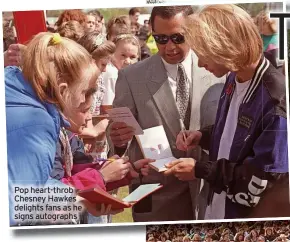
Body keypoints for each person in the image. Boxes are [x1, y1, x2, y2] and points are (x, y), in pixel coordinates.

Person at [165, 4, 288, 219]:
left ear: (226, 45)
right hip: (218, 208)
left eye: (204, 55)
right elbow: (234, 132)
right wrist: (203, 135)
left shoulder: (275, 98)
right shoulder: (234, 77)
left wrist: (201, 170)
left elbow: (262, 180)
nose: (201, 64)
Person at [108, 5, 226, 222]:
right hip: (156, 196)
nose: (169, 46)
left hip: (208, 192)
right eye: (161, 39)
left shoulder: (216, 69)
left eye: (178, 38)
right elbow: (115, 135)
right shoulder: (131, 77)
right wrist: (118, 140)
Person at [6, 32, 115, 226]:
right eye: (83, 92)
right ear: (63, 90)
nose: (84, 100)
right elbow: (16, 205)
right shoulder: (37, 123)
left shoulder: (13, 83)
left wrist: (78, 200)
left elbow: (33, 183)